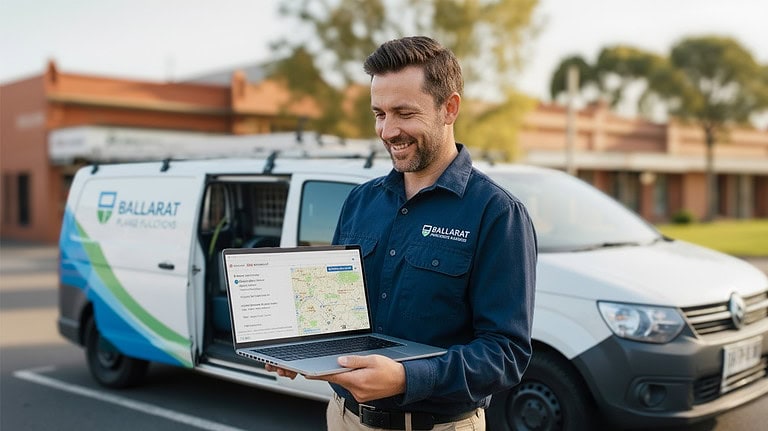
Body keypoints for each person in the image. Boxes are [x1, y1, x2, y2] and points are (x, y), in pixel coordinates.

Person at [268, 36, 537, 431]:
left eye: (404, 113)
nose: (388, 130)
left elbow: (505, 353)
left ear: (450, 108)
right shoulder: (360, 201)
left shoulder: (498, 214)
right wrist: (297, 343)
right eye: (379, 113)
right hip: (343, 419)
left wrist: (407, 378)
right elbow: (338, 311)